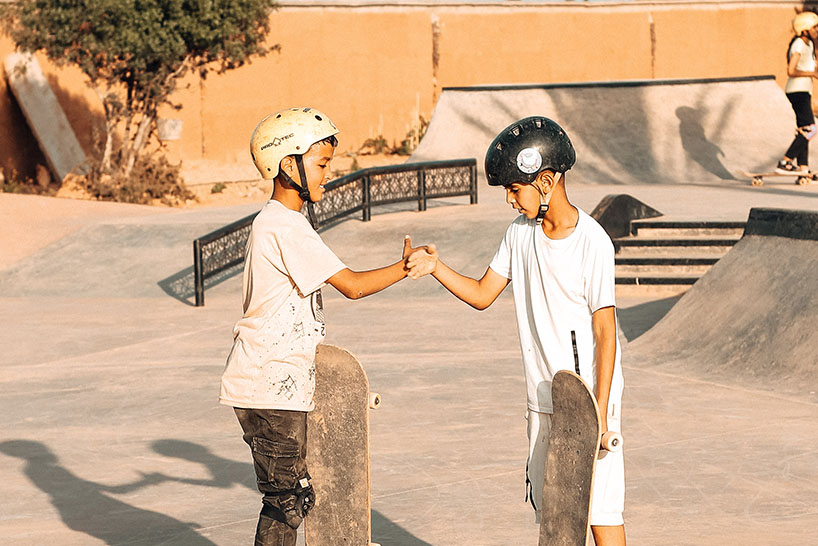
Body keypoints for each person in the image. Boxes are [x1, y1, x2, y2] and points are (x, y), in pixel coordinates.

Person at [407, 116, 626, 545]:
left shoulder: (592, 242)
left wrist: (599, 410)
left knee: (600, 510)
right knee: (556, 517)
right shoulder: (518, 235)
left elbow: (605, 330)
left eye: (514, 188)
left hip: (586, 400)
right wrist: (436, 267)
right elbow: (482, 294)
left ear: (545, 181)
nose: (510, 200)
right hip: (541, 398)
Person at [220, 107, 425, 546]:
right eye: (322, 164)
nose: (327, 176)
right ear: (287, 164)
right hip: (270, 383)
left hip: (273, 382)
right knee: (285, 502)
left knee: (289, 498)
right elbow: (351, 285)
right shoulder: (282, 225)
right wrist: (405, 268)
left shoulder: (283, 224)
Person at [777, 11, 818, 174]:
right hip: (796, 90)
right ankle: (785, 161)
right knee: (810, 129)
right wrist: (811, 73)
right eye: (814, 27)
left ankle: (803, 167)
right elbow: (791, 70)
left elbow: (811, 68)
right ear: (805, 29)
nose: (817, 30)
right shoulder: (799, 44)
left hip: (804, 90)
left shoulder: (809, 45)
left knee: (804, 129)